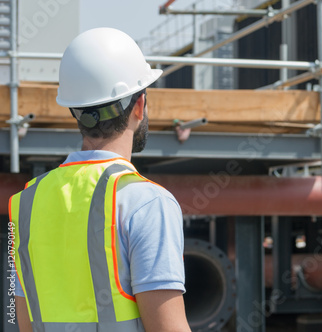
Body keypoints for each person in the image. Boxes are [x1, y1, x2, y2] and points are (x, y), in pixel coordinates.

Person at [9, 27, 191, 332]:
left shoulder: (24, 203)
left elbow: (21, 321)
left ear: (75, 112)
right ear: (140, 105)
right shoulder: (147, 202)